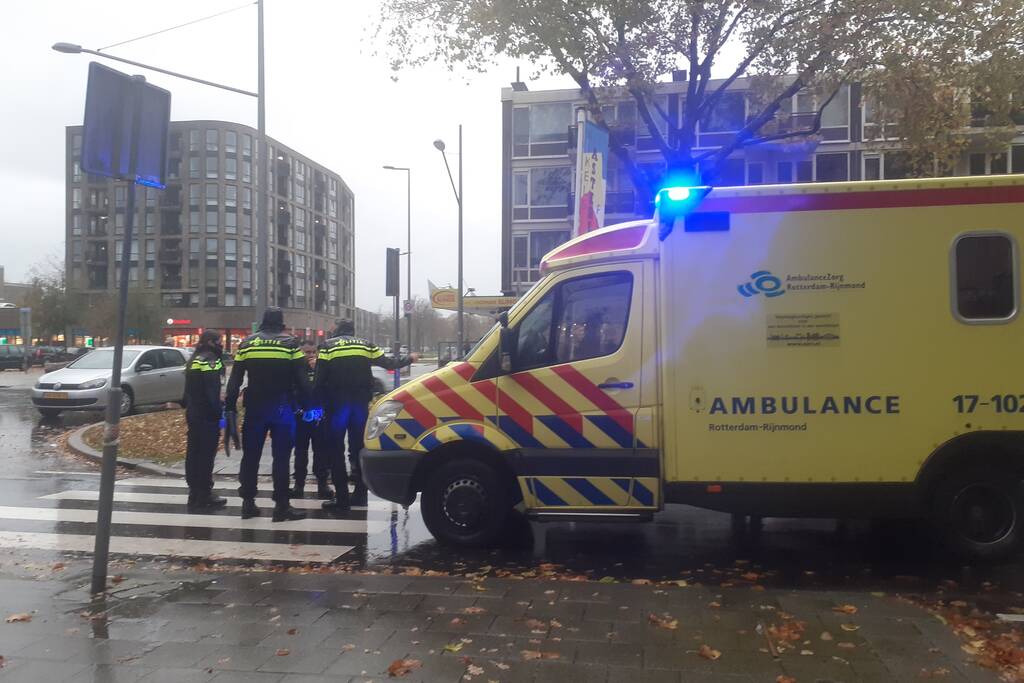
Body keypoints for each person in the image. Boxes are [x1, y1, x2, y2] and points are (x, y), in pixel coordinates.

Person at [315, 319, 418, 513]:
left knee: (335, 452)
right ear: (353, 330)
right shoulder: (365, 344)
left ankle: (342, 499)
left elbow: (319, 381)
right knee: (357, 450)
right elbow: (389, 363)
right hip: (359, 407)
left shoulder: (328, 347)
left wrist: (317, 407)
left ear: (337, 330)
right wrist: (410, 358)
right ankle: (360, 494)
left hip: (336, 408)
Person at [225, 308, 312, 522]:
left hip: (255, 407)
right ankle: (281, 506)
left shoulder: (247, 344)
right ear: (281, 323)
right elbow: (302, 381)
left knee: (251, 456)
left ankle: (248, 503)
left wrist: (230, 407)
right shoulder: (290, 344)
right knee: (281, 457)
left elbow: (235, 380)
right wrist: (310, 406)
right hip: (282, 407)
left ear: (263, 322)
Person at [182, 330, 228, 512]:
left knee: (193, 453)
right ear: (210, 342)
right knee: (206, 456)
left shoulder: (194, 359)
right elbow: (211, 392)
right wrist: (219, 413)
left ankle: (194, 492)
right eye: (219, 341)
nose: (221, 345)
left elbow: (187, 392)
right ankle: (204, 494)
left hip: (193, 413)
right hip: (206, 415)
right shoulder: (210, 360)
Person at [291, 340, 332, 500]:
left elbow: (328, 389)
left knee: (321, 451)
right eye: (307, 352)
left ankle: (322, 483)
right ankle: (298, 484)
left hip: (319, 417)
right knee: (300, 452)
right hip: (300, 417)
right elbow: (291, 390)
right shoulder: (295, 368)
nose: (310, 356)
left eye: (313, 352)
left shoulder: (322, 369)